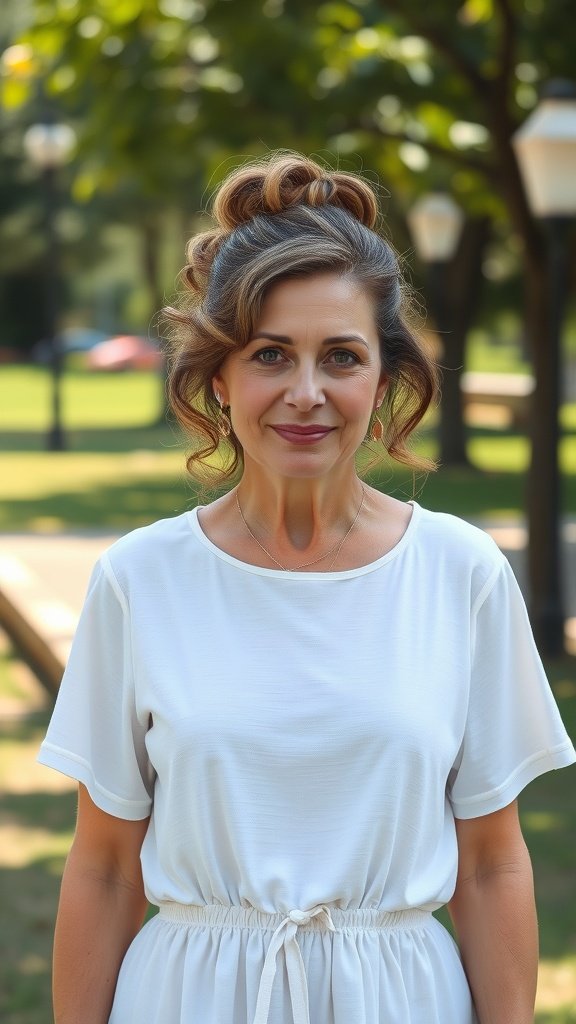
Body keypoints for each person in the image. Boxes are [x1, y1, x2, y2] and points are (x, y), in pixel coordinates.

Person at [39, 152, 575, 1024]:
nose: (306, 393)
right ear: (219, 376)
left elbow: (491, 864)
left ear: (386, 377)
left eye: (341, 357)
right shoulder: (140, 580)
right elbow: (102, 865)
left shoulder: (461, 574)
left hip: (401, 999)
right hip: (188, 999)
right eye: (270, 355)